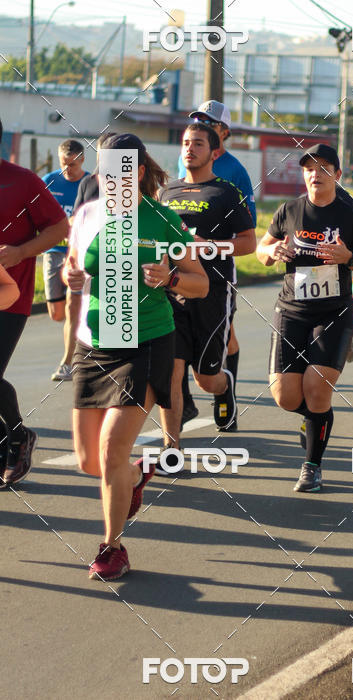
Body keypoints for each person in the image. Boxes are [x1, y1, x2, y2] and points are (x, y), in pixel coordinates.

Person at [65, 133, 208, 579]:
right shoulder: (88, 214)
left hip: (146, 341)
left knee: (110, 448)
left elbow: (199, 283)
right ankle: (136, 473)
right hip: (97, 340)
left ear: (137, 173)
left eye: (119, 172)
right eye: (104, 173)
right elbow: (75, 264)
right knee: (90, 461)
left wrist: (169, 279)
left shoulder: (163, 219)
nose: (109, 181)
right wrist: (71, 277)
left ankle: (112, 547)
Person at [257, 143, 353, 492]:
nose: (316, 173)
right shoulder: (289, 211)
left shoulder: (350, 215)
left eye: (324, 167)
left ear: (337, 175)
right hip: (291, 311)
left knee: (316, 388)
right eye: (310, 168)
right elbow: (261, 249)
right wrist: (272, 251)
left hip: (333, 314)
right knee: (285, 396)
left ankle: (312, 466)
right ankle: (314, 420)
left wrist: (348, 258)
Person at [158, 122, 256, 458]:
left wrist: (209, 246)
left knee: (205, 378)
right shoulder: (165, 193)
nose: (189, 148)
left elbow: (248, 244)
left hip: (212, 291)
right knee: (171, 370)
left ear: (213, 152)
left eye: (197, 143)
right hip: (172, 292)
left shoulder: (225, 193)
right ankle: (172, 447)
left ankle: (224, 386)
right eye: (185, 142)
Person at [0, 117, 69, 488]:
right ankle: (8, 439)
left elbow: (60, 228)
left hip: (10, 296)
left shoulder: (23, 181)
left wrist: (21, 252)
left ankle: (17, 437)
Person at [179, 101, 257, 426]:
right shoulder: (183, 162)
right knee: (174, 350)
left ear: (222, 133)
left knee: (225, 341)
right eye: (195, 120)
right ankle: (180, 410)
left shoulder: (235, 172)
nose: (199, 125)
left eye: (207, 123)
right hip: (180, 280)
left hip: (217, 275)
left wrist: (209, 246)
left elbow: (247, 231)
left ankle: (225, 392)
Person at [42, 139, 89, 381]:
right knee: (56, 313)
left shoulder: (91, 183)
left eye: (72, 165)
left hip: (79, 253)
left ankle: (67, 362)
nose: (67, 170)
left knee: (73, 305)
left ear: (82, 160)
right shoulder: (49, 180)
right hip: (53, 251)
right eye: (63, 165)